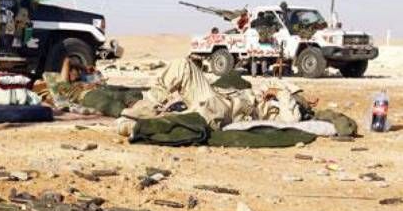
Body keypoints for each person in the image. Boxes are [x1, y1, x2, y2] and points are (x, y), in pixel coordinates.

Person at [117, 58, 306, 135]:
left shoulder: (280, 109)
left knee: (194, 116)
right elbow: (271, 82)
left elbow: (292, 120)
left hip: (225, 110)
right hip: (214, 95)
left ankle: (137, 126)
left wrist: (282, 94)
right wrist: (270, 89)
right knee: (183, 65)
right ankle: (142, 109)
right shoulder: (257, 90)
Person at [33, 57, 142, 117]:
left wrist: (92, 80)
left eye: (79, 72)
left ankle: (143, 110)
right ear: (68, 73)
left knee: (126, 95)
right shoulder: (63, 83)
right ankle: (138, 117)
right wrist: (83, 67)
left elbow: (98, 77)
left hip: (97, 89)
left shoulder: (82, 81)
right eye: (75, 71)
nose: (78, 73)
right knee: (111, 105)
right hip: (85, 96)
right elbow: (67, 60)